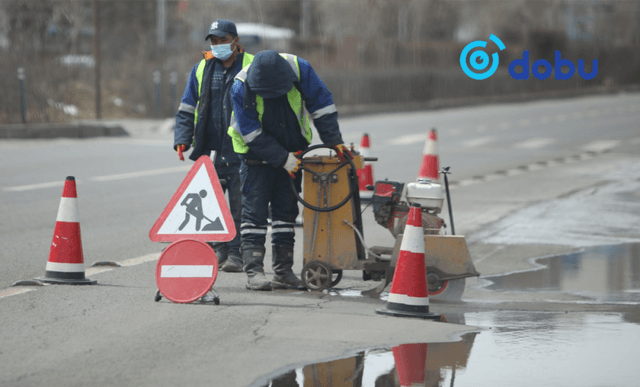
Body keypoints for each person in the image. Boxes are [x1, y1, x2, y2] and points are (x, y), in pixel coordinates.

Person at [228, 50, 351, 290]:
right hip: (255, 158)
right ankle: (254, 272)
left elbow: (322, 105)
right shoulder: (241, 86)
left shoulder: (301, 70)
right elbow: (250, 132)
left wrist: (333, 139)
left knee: (286, 213)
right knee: (254, 214)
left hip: (293, 153)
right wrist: (283, 159)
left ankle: (283, 272)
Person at [174, 19, 253, 273]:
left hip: (241, 151)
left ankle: (236, 254)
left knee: (239, 208)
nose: (217, 46)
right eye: (214, 41)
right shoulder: (202, 68)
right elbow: (187, 106)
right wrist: (182, 138)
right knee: (210, 207)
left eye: (223, 40)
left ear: (235, 40)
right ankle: (218, 250)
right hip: (210, 150)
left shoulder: (252, 65)